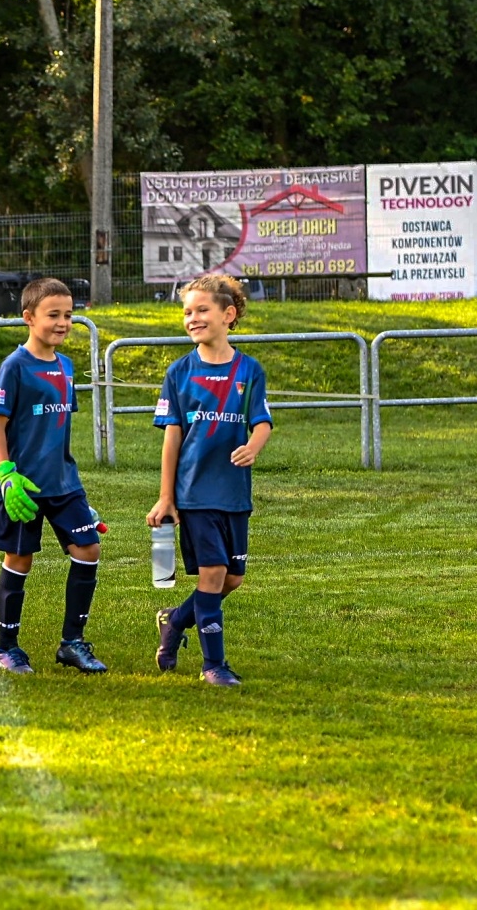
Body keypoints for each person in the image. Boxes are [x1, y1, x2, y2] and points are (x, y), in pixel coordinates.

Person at [147, 274, 273, 687]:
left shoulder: (249, 370)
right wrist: (167, 497)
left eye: (202, 310)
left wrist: (254, 446)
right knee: (214, 574)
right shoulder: (180, 372)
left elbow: (262, 422)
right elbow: (172, 438)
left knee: (232, 579)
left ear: (229, 314)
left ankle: (176, 619)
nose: (193, 318)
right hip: (194, 493)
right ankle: (213, 665)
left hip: (234, 494)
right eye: (187, 311)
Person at [0, 278, 107, 676]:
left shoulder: (66, 366)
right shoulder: (14, 366)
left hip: (64, 483)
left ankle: (72, 643)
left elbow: (58, 430)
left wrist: (81, 496)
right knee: (19, 559)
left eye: (68, 315)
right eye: (53, 314)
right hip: (24, 485)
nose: (62, 322)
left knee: (88, 549)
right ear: (28, 318)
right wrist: (6, 474)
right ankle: (8, 648)